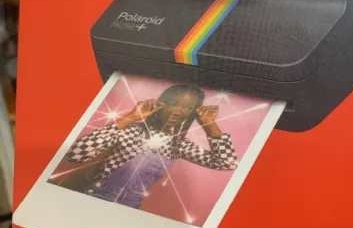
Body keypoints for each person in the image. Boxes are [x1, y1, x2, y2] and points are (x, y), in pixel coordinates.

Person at [59, 84, 238, 208]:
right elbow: (76, 155)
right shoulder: (132, 130)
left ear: (193, 113)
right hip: (96, 197)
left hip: (129, 208)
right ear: (159, 103)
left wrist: (210, 126)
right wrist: (131, 117)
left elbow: (226, 163)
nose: (177, 112)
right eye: (172, 104)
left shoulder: (179, 144)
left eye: (187, 108)